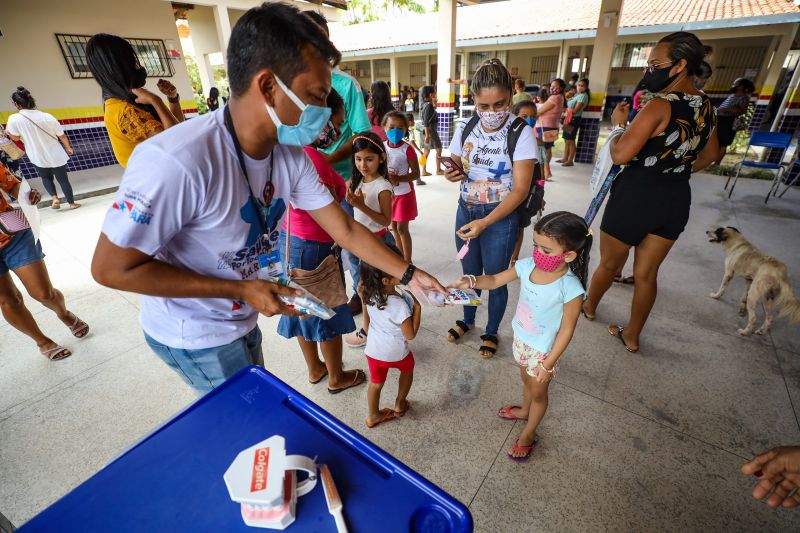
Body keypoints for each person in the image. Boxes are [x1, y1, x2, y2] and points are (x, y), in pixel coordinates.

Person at [90, 3, 444, 395]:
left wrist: (411, 275)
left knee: (256, 409)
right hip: (194, 332)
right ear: (268, 86)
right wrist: (241, 290)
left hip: (241, 316)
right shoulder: (177, 160)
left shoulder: (288, 154)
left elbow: (343, 228)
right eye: (317, 96)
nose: (326, 113)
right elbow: (110, 269)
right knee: (247, 422)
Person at [581, 31, 719, 353]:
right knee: (647, 274)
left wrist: (618, 125)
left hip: (636, 196)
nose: (649, 71)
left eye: (654, 64)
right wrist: (676, 169)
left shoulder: (659, 105)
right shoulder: (707, 106)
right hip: (674, 199)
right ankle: (632, 335)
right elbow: (712, 156)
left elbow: (620, 154)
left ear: (679, 66)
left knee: (610, 265)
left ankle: (589, 307)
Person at [449, 211, 589, 461]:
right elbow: (493, 280)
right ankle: (525, 410)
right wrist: (470, 281)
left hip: (544, 352)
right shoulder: (526, 266)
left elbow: (567, 329)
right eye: (535, 246)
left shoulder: (571, 288)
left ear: (568, 255)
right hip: (521, 340)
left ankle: (529, 433)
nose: (537, 254)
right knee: (525, 378)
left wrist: (549, 363)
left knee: (538, 393)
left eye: (546, 251)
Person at [444, 58, 537, 359]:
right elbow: (452, 165)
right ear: (474, 101)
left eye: (500, 104)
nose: (492, 112)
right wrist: (450, 172)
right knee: (469, 273)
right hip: (466, 209)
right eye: (484, 106)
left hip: (500, 218)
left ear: (511, 97)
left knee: (496, 278)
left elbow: (521, 190)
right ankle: (468, 320)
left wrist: (486, 223)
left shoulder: (521, 132)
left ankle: (491, 330)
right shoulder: (467, 126)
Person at [276, 88, 365, 394]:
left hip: (291, 240)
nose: (337, 132)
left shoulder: (289, 151)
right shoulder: (312, 158)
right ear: (318, 118)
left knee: (300, 305)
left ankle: (315, 368)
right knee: (326, 309)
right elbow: (338, 219)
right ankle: (337, 376)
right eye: (335, 124)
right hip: (315, 247)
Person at [304, 10, 372, 316]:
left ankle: (364, 295)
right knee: (319, 249)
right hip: (307, 181)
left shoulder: (345, 85)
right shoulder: (287, 87)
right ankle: (329, 299)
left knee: (350, 243)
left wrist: (328, 160)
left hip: (343, 180)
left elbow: (362, 134)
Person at [0, 165, 89, 360]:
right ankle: (42, 341)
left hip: (12, 233)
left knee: (44, 293)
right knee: (8, 300)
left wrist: (27, 194)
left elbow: (12, 185)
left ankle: (63, 313)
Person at [85, 33, 185, 168]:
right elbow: (177, 142)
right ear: (121, 66)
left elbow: (176, 126)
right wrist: (156, 100)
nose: (138, 66)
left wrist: (172, 99)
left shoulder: (127, 100)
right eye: (133, 60)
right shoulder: (126, 111)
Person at [359, 243, 420, 428]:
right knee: (407, 370)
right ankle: (400, 404)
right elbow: (410, 335)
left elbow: (368, 324)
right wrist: (417, 308)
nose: (403, 268)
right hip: (396, 353)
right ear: (386, 281)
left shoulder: (366, 293)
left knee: (376, 383)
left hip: (373, 352)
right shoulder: (400, 305)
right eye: (397, 267)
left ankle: (372, 416)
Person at [6, 87, 79, 210]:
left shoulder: (14, 119)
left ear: (17, 104)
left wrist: (8, 130)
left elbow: (15, 138)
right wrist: (68, 147)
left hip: (36, 155)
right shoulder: (46, 116)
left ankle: (55, 198)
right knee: (63, 179)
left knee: (45, 177)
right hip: (55, 153)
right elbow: (61, 135)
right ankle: (71, 203)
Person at [510, 100, 545, 264]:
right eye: (524, 116)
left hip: (527, 194)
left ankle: (513, 260)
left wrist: (540, 195)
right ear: (514, 116)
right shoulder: (508, 139)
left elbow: (540, 173)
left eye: (532, 117)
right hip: (508, 192)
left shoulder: (538, 144)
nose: (528, 120)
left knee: (519, 226)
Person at [383, 111, 420, 263]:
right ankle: (400, 258)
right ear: (384, 127)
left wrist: (399, 178)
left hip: (404, 194)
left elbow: (416, 173)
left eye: (400, 128)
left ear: (406, 129)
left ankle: (408, 261)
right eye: (391, 127)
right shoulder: (381, 147)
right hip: (388, 194)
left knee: (402, 229)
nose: (395, 131)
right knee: (393, 227)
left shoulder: (407, 149)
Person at [714, 77, 755, 166]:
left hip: (727, 122)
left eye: (735, 84)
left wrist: (727, 110)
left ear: (741, 86)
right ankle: (712, 162)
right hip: (720, 120)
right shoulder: (733, 96)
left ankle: (716, 164)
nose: (733, 85)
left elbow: (742, 111)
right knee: (717, 143)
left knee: (722, 144)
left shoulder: (743, 98)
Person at [534, 78, 565, 181]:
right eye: (552, 86)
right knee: (547, 149)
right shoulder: (561, 98)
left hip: (544, 127)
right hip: (552, 127)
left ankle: (544, 173)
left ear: (561, 88)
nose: (553, 88)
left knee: (542, 150)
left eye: (556, 86)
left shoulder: (554, 98)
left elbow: (539, 112)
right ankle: (546, 172)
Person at [560, 77, 589, 167]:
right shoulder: (576, 95)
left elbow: (575, 110)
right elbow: (568, 104)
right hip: (568, 119)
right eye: (578, 85)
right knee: (566, 139)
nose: (580, 87)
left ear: (586, 87)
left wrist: (564, 109)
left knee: (571, 140)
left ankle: (570, 160)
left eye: (582, 86)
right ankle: (565, 158)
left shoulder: (583, 96)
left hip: (573, 120)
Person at [420, 85, 443, 177]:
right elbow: (426, 121)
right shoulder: (428, 105)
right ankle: (438, 170)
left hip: (425, 130)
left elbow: (429, 115)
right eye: (434, 93)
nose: (435, 94)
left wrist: (434, 105)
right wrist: (427, 135)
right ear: (430, 94)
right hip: (430, 131)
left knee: (426, 152)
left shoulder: (425, 104)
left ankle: (423, 171)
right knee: (439, 149)